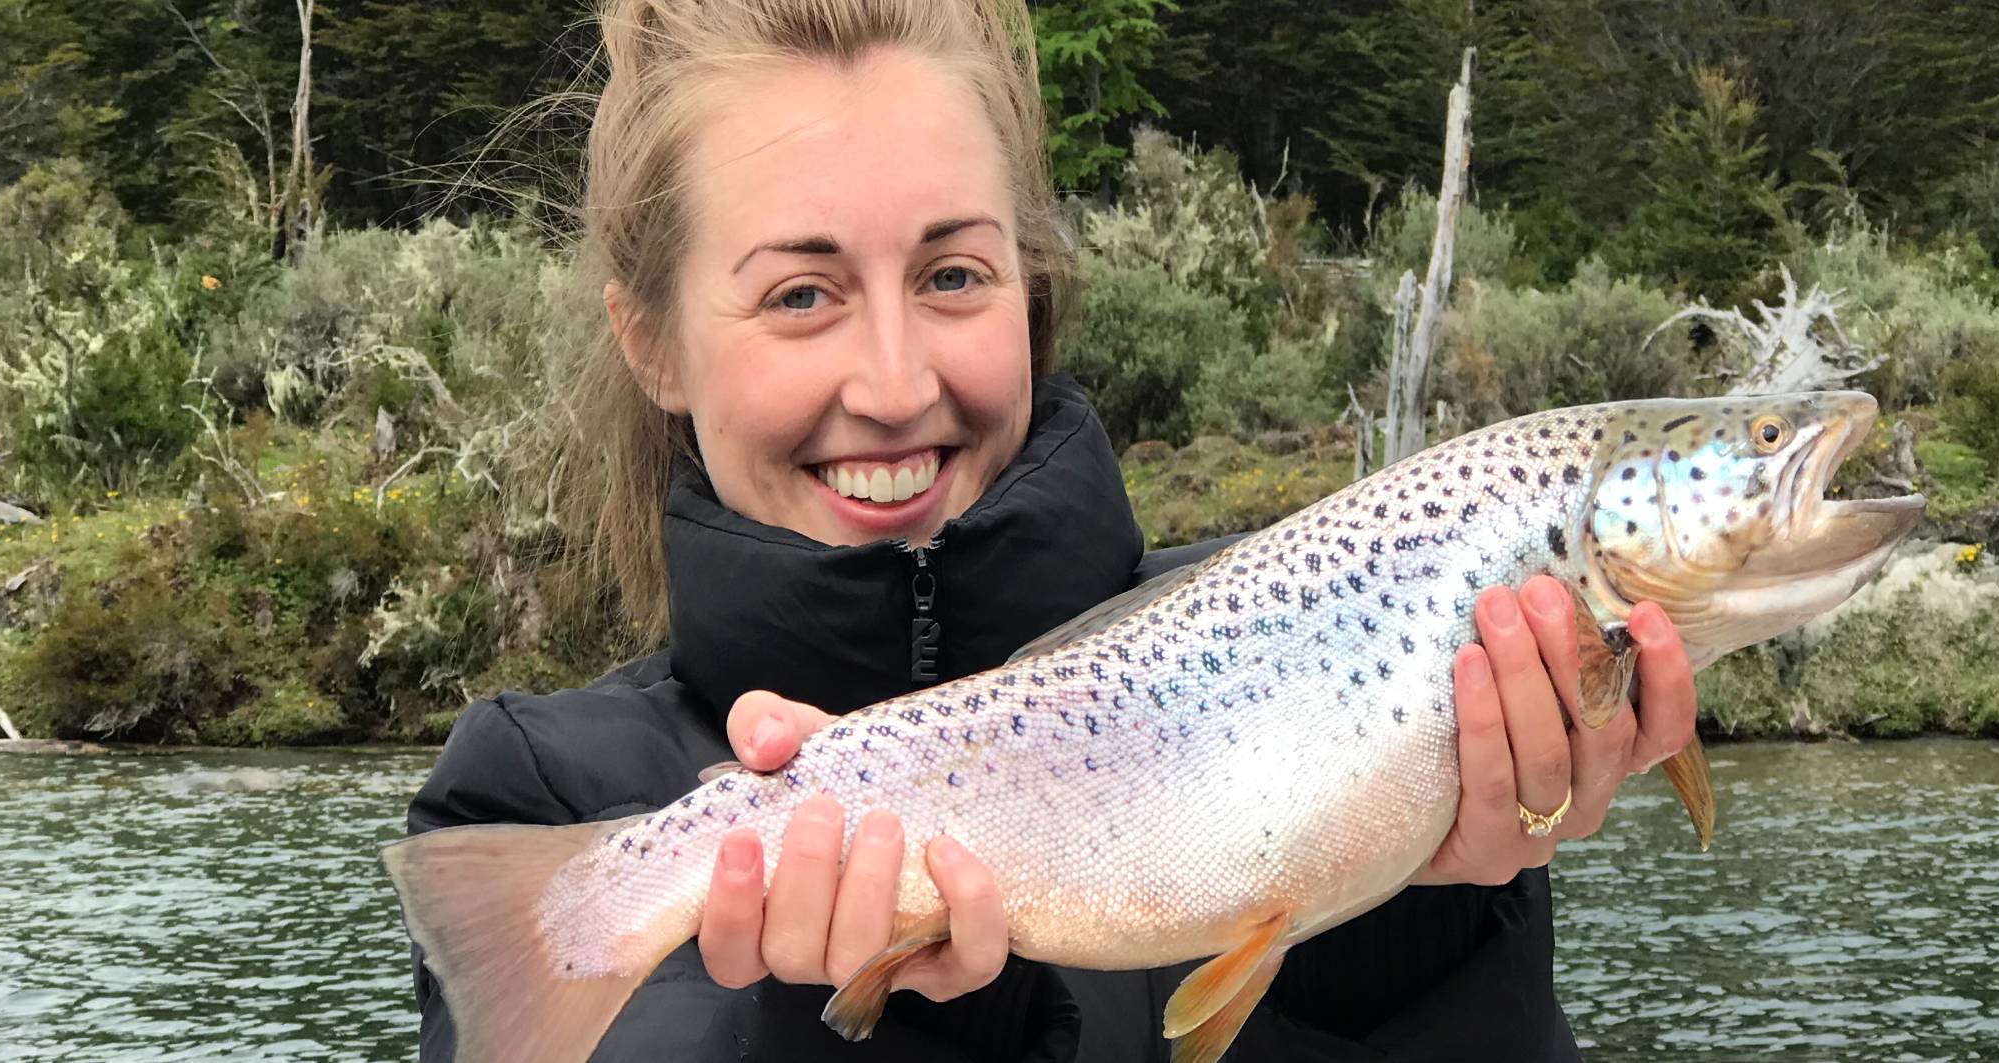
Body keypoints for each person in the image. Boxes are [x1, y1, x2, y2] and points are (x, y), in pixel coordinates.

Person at [403, 0, 1700, 1059]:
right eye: (801, 294)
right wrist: (856, 1029)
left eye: (953, 274)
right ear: (653, 344)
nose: (898, 381)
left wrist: (1410, 910)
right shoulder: (542, 802)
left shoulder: (1322, 653)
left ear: (1032, 285)